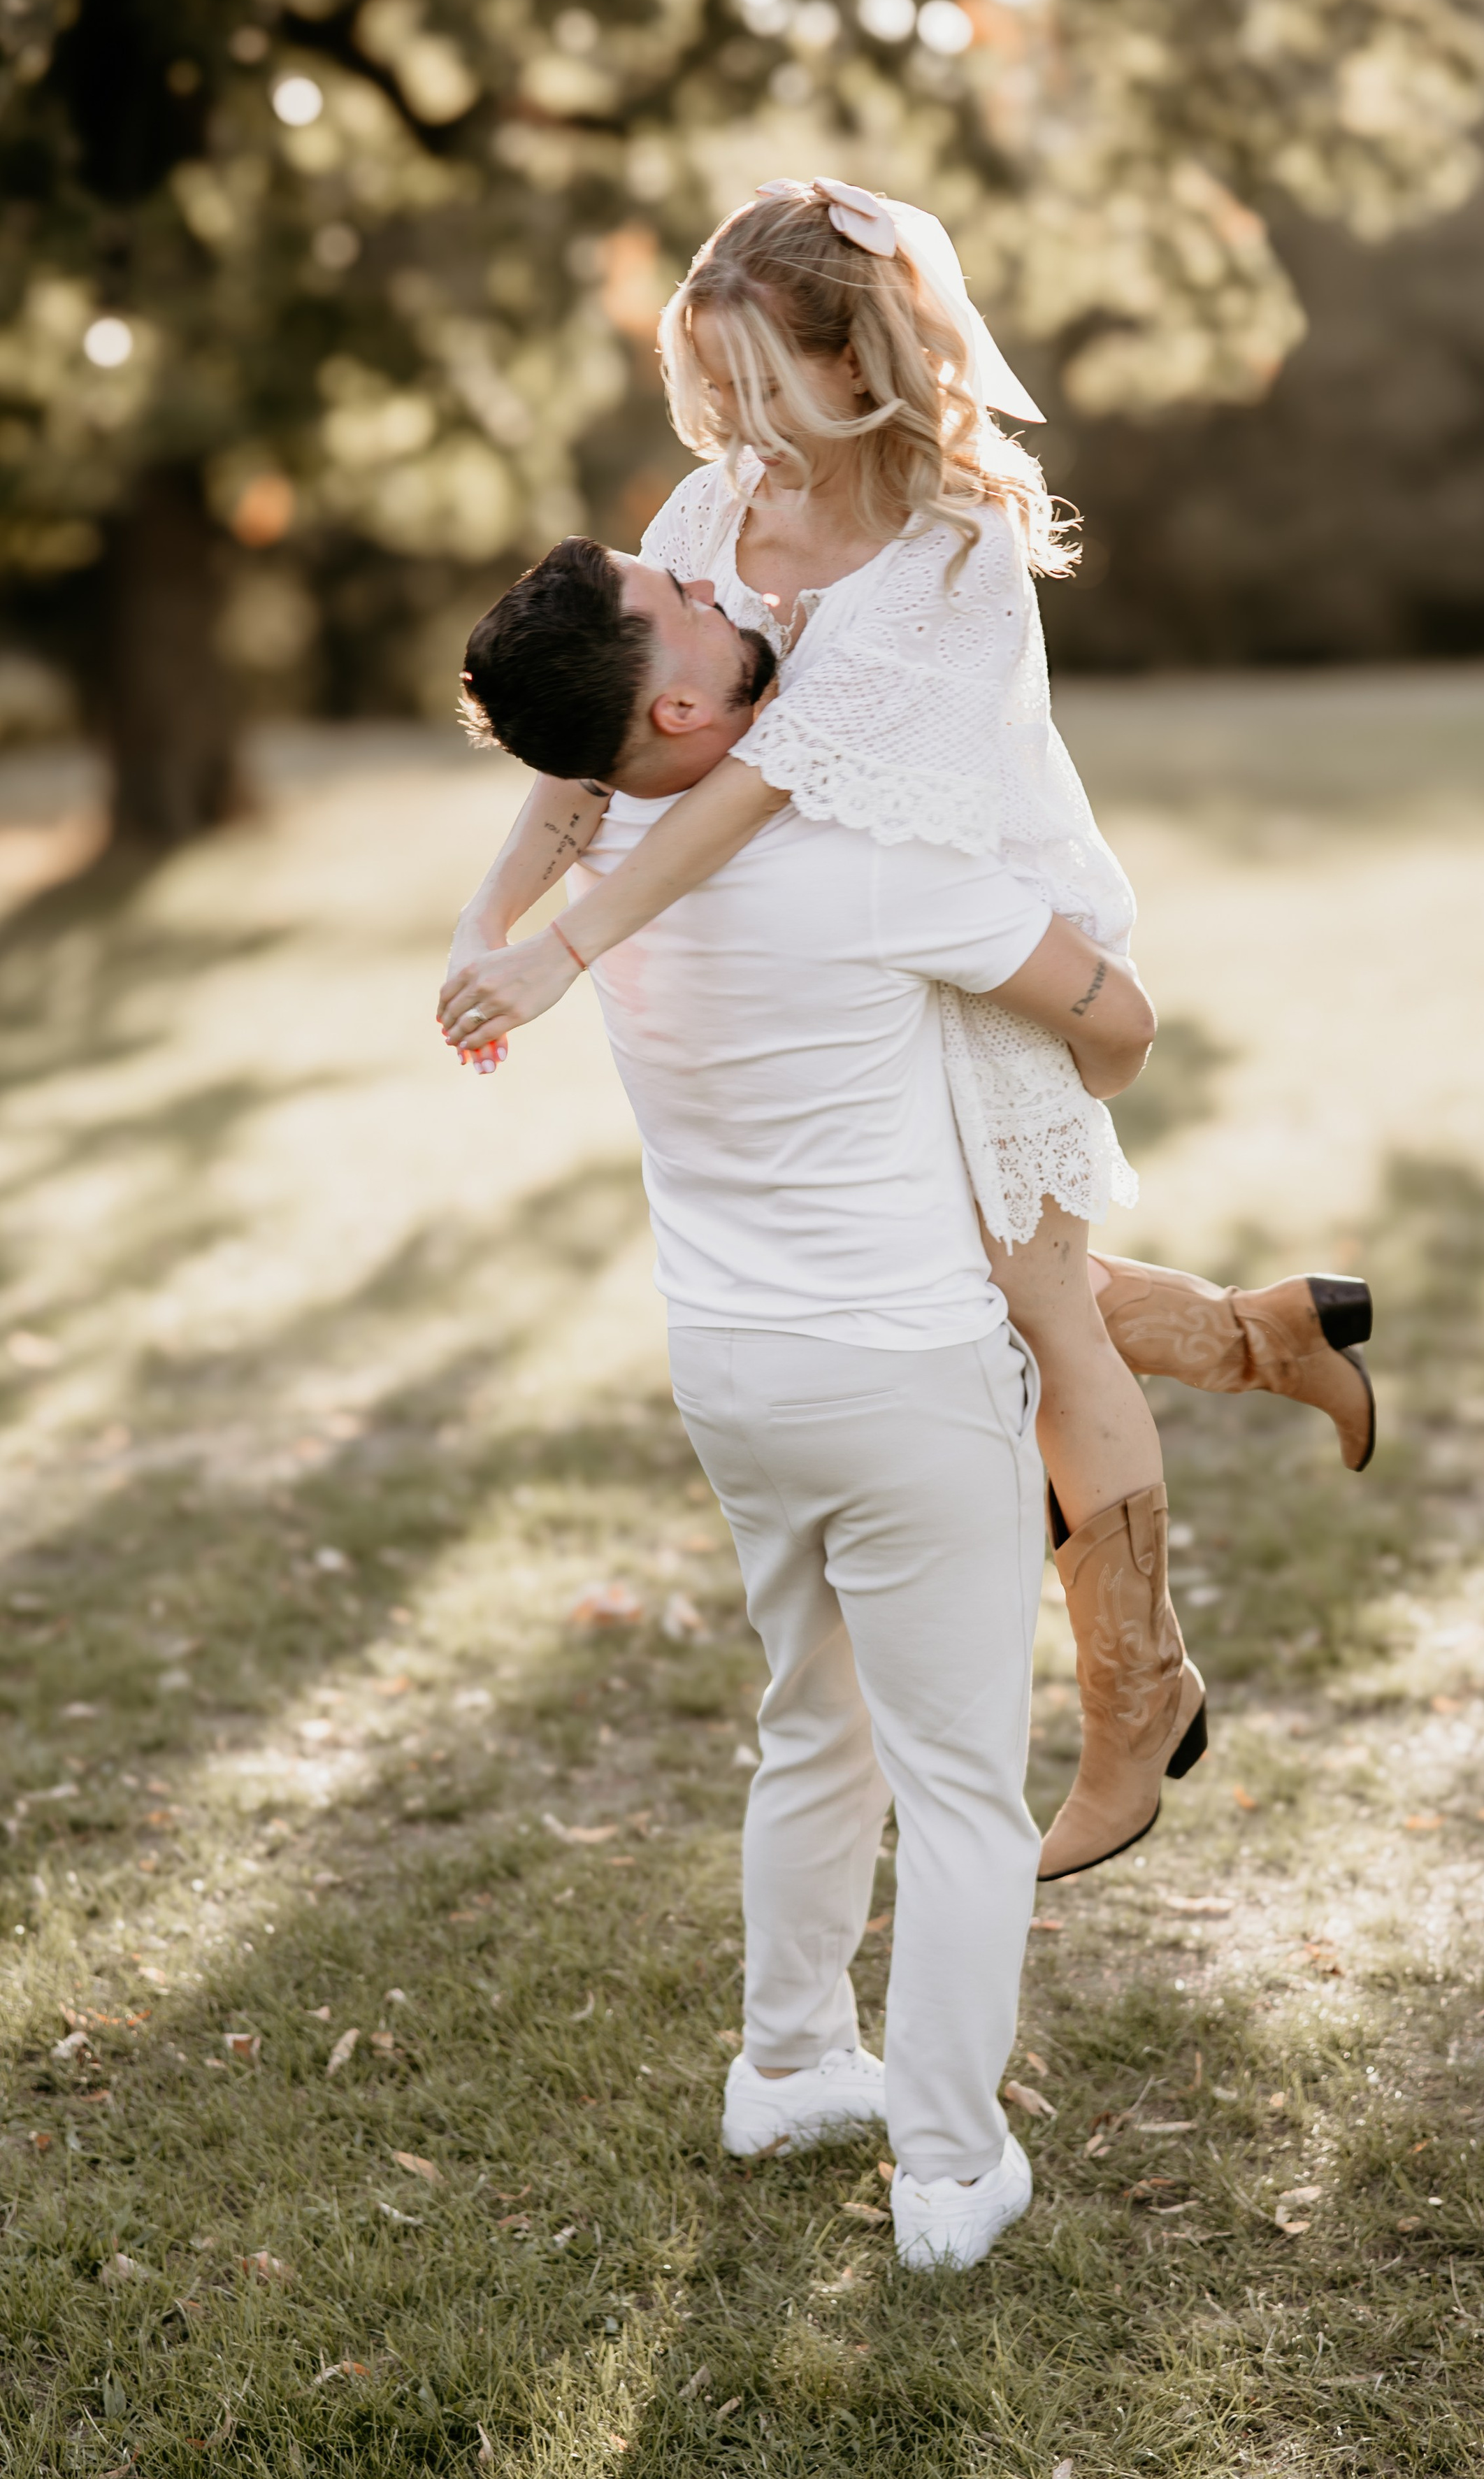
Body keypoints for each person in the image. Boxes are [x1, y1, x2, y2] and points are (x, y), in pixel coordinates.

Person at [440, 180, 1375, 1881]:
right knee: (968, 1296)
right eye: (707, 376)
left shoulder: (950, 549)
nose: (729, 416)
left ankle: (1136, 1709)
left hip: (973, 951)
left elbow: (752, 783)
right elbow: (603, 736)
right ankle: (1263, 1336)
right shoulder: (714, 507)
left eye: (755, 377)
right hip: (833, 971)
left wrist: (568, 948)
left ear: (851, 359)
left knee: (1038, 1314)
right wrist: (485, 925)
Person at [456, 537, 1170, 2266]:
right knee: (959, 1783)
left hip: (730, 1367)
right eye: (682, 600)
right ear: (676, 709)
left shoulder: (606, 860)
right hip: (904, 1374)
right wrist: (1078, 1025)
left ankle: (785, 2065)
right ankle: (948, 2166)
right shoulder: (866, 857)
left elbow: (572, 809)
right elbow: (1124, 1024)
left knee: (814, 1720)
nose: (720, 581)